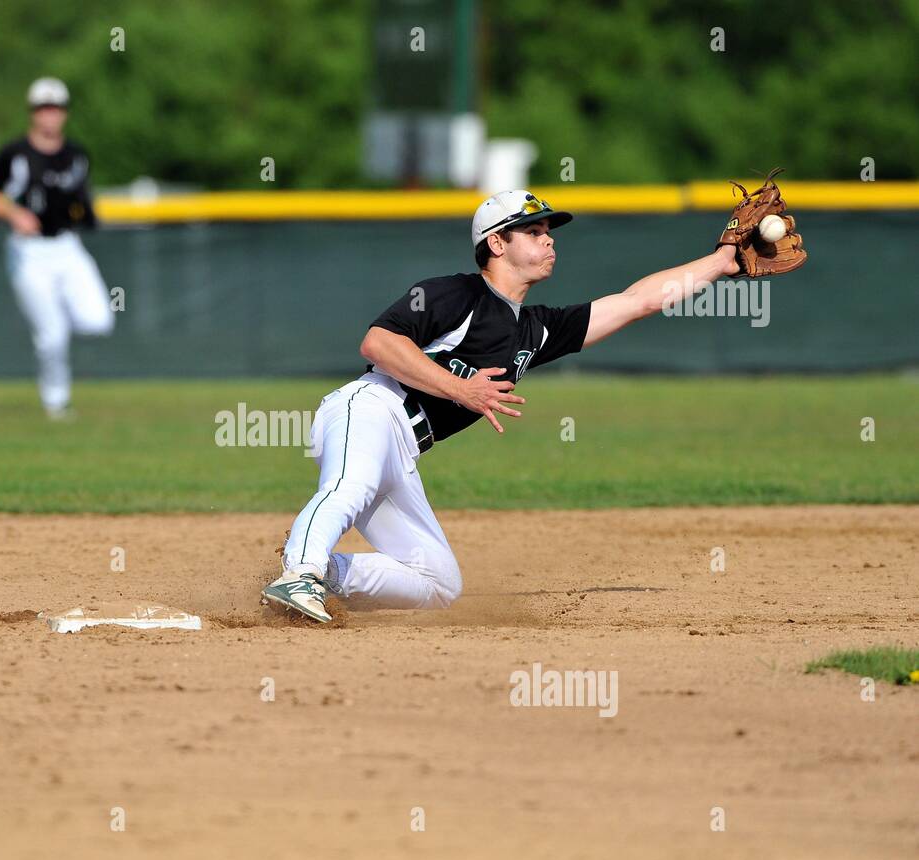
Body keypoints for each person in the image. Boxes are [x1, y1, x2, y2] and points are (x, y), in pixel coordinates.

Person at [261, 188, 750, 623]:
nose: (549, 240)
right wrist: (461, 389)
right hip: (368, 409)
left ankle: (321, 570)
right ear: (497, 243)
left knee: (439, 584)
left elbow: (636, 300)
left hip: (404, 446)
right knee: (351, 484)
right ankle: (298, 572)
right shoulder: (454, 293)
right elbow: (378, 343)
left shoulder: (535, 328)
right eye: (533, 231)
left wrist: (722, 261)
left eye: (548, 232)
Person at [0, 77, 112, 419]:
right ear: (33, 113)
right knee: (52, 333)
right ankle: (56, 401)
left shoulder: (76, 155)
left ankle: (54, 313)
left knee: (98, 319)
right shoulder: (14, 154)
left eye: (56, 108)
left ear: (65, 113)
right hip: (29, 251)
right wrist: (15, 214)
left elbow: (81, 198)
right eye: (44, 108)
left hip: (67, 247)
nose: (50, 115)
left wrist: (87, 214)